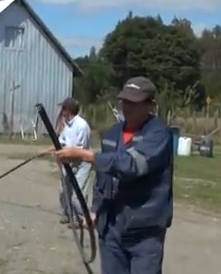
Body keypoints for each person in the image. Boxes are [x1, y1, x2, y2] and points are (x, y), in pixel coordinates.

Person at [54, 76, 173, 274]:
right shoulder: (112, 134)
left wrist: (85, 155)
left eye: (134, 104)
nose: (127, 108)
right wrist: (95, 209)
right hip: (111, 228)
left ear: (150, 105)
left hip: (145, 231)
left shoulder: (159, 135)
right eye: (125, 102)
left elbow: (132, 165)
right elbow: (104, 177)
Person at [55, 97, 92, 227]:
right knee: (64, 191)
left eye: (63, 109)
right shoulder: (67, 126)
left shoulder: (81, 125)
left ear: (68, 110)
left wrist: (65, 157)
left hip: (81, 163)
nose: (61, 112)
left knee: (77, 195)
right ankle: (68, 214)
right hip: (68, 162)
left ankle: (81, 219)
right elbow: (61, 142)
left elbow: (79, 150)